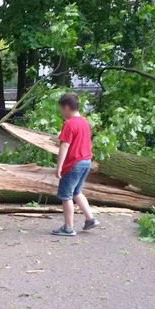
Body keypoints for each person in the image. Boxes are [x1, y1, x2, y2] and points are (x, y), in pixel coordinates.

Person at [52, 93, 100, 236]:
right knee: (77, 192)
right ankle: (90, 219)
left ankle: (68, 227)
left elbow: (65, 146)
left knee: (66, 196)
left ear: (66, 107)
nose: (61, 112)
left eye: (62, 109)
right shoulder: (84, 122)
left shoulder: (69, 124)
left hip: (74, 164)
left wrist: (59, 166)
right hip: (86, 161)